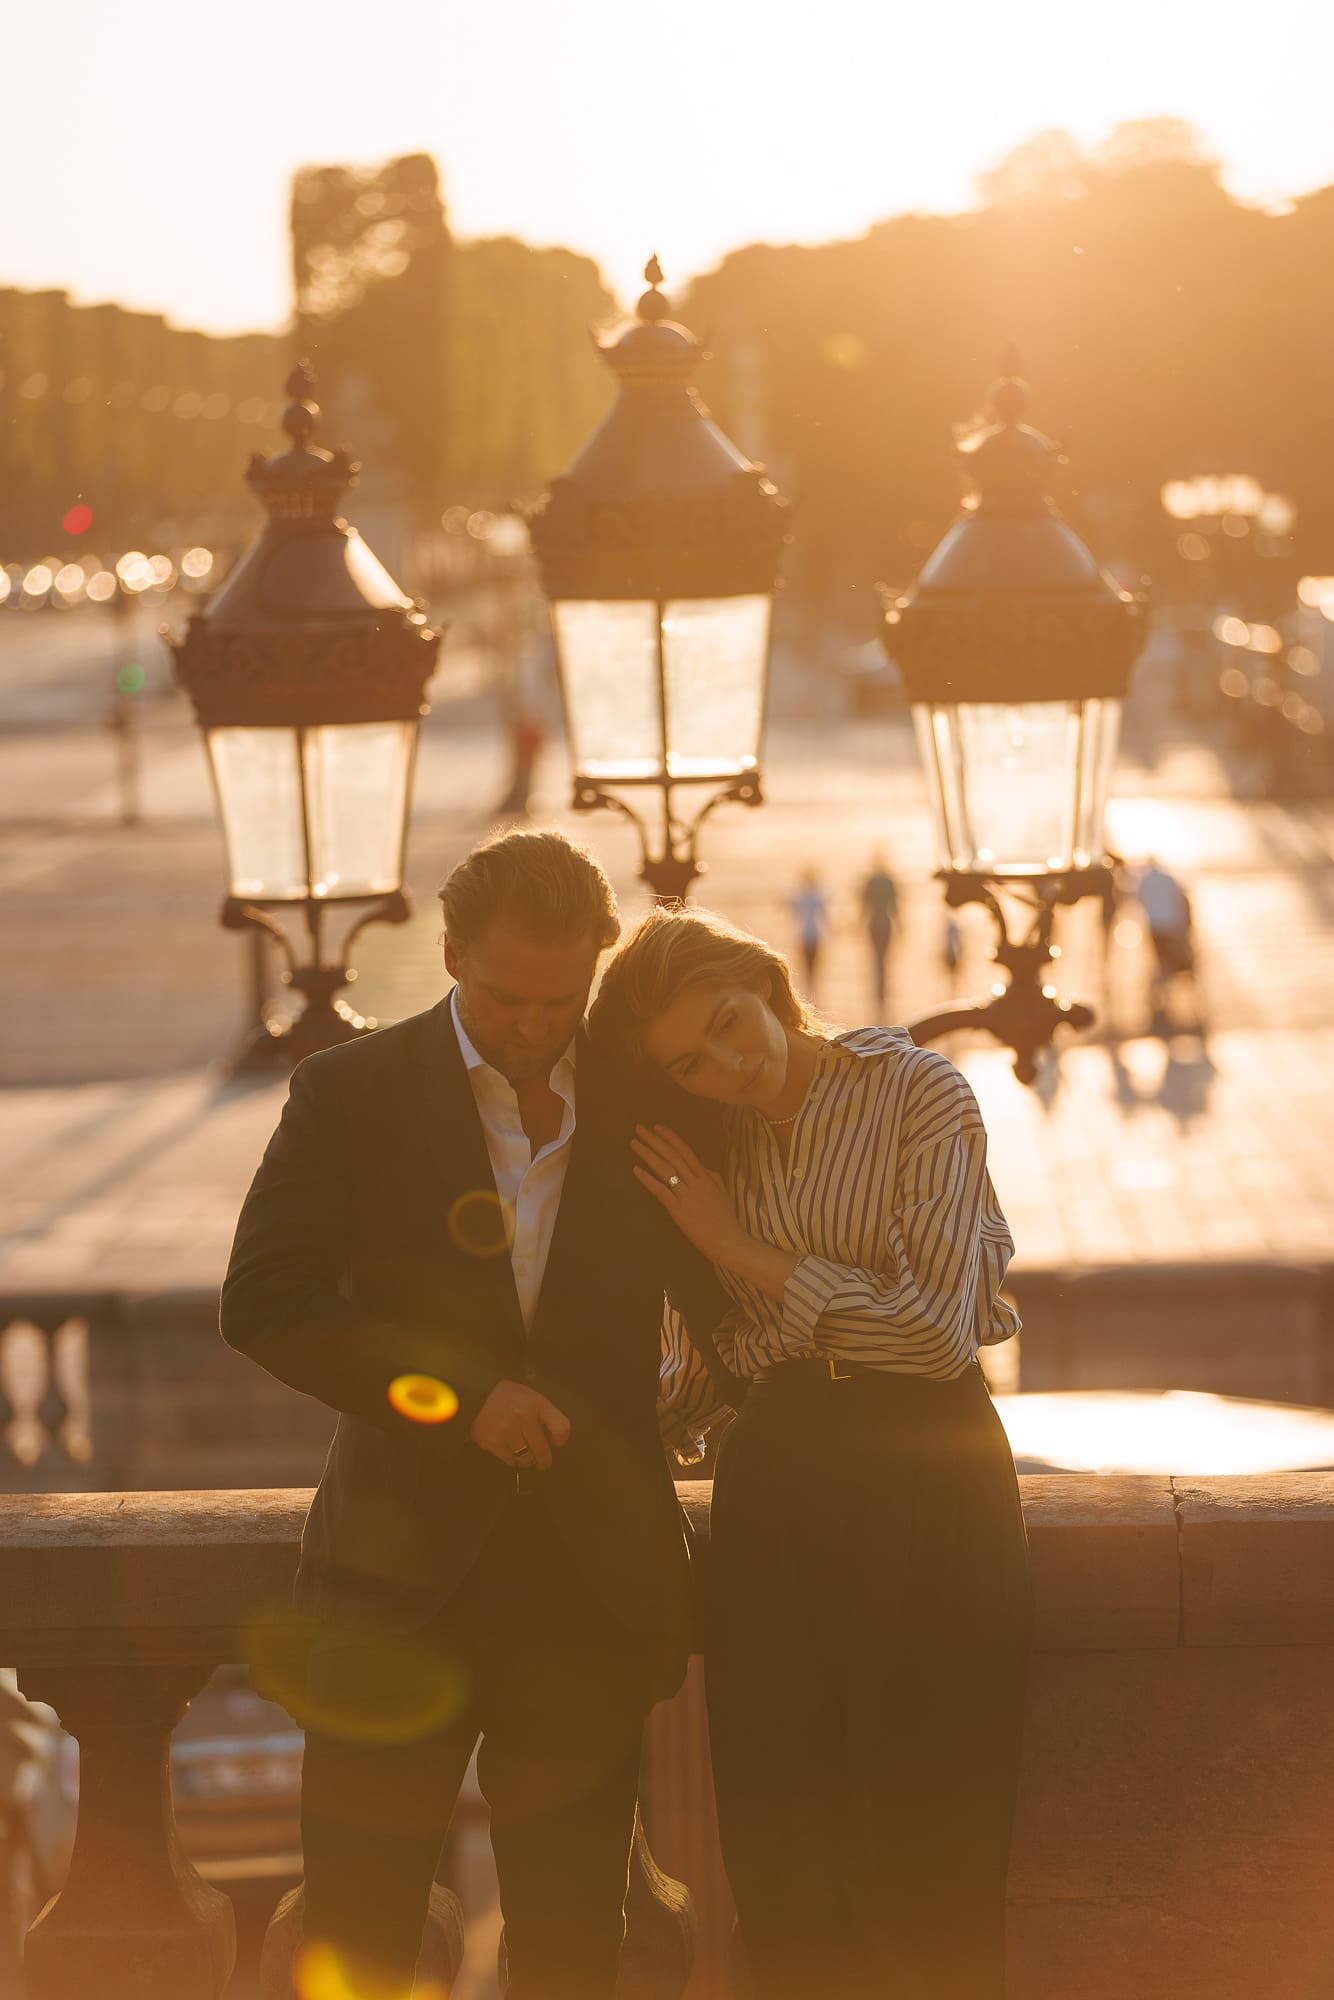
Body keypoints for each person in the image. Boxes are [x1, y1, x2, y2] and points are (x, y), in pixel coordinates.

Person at [220, 829, 722, 2000]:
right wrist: (457, 1404)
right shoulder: (345, 1091)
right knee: (358, 1927)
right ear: (449, 955)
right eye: (503, 995)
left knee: (570, 1947)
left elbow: (727, 1291)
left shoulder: (656, 1097)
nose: (535, 1025)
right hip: (394, 1585)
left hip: (586, 1590)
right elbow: (267, 1302)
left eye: (563, 997)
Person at [590, 908, 1032, 2000]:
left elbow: (932, 1333)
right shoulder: (705, 1140)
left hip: (927, 1470)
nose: (727, 1067)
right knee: (778, 1811)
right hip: (777, 1478)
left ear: (766, 979)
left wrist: (739, 1249)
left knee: (928, 1808)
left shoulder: (915, 1092)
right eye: (689, 1061)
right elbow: (714, 1366)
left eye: (731, 1024)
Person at [1134, 857, 1195, 1018]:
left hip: (1154, 926)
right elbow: (1180, 899)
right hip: (1170, 924)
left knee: (1160, 963)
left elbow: (1137, 899)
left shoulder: (1144, 880)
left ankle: (1158, 1001)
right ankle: (1162, 1001)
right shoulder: (1169, 879)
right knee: (1168, 963)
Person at [859, 851, 900, 1018]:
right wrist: (901, 925)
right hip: (885, 921)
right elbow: (896, 905)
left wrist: (858, 924)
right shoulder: (888, 881)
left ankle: (879, 993)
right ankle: (882, 993)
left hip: (874, 922)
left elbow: (864, 905)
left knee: (877, 959)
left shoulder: (872, 881)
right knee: (883, 959)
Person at [785, 867, 830, 997]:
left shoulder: (799, 896)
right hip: (816, 934)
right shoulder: (818, 896)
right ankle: (813, 990)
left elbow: (793, 913)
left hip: (803, 934)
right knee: (814, 966)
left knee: (805, 965)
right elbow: (825, 917)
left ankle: (808, 991)